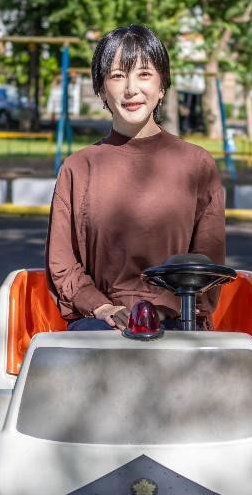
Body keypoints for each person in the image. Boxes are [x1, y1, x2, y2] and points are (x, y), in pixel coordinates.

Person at [46, 24, 226, 330]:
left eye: (144, 74)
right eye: (118, 75)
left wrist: (169, 308)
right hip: (99, 324)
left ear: (162, 86)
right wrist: (100, 307)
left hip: (178, 321)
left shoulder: (197, 164)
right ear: (101, 89)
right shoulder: (78, 168)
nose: (131, 88)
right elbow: (62, 262)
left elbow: (208, 261)